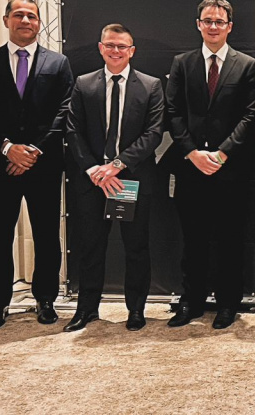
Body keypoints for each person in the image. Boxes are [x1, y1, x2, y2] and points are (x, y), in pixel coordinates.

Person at [63, 24, 164, 332]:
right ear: (100, 48)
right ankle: (86, 309)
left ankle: (136, 309)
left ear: (132, 51)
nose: (115, 51)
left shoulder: (151, 85)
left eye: (122, 46)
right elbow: (73, 131)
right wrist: (94, 169)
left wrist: (117, 165)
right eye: (110, 45)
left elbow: (153, 134)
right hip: (93, 180)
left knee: (136, 248)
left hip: (130, 179)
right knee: (90, 247)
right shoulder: (84, 84)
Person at [165, 0, 255, 330]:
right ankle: (191, 302)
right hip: (191, 167)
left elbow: (250, 115)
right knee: (193, 240)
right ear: (198, 24)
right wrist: (192, 153)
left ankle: (228, 304)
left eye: (219, 21)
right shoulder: (182, 63)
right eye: (208, 21)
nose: (213, 26)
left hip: (230, 169)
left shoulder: (247, 65)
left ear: (229, 26)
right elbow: (172, 111)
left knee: (230, 240)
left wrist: (222, 153)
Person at [0, 0, 74, 329]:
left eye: (31, 16)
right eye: (18, 15)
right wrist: (7, 148)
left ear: (39, 22)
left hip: (43, 164)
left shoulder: (58, 63)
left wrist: (33, 150)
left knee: (47, 235)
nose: (25, 20)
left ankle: (45, 299)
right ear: (5, 19)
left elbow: (65, 111)